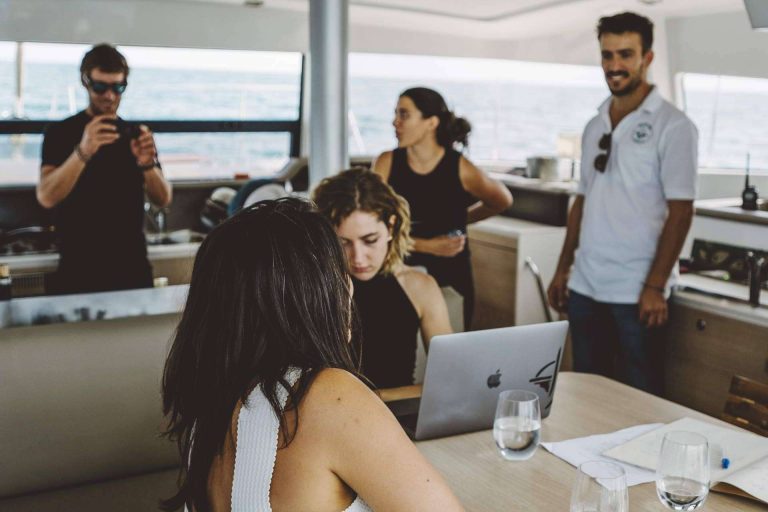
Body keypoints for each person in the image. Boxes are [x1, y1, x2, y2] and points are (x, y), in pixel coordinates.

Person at [161, 198, 464, 512]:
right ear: (313, 294)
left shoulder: (211, 396)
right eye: (337, 270)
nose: (347, 285)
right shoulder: (328, 397)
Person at [547, 12, 697, 394]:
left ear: (647, 58)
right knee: (584, 392)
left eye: (625, 55)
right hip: (586, 284)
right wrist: (563, 268)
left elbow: (681, 211)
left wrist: (655, 286)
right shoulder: (595, 123)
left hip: (636, 289)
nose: (614, 66)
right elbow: (582, 199)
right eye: (607, 55)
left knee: (641, 396)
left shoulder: (674, 126)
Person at [372, 87, 512, 329]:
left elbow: (502, 200)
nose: (395, 122)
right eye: (395, 114)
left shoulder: (461, 167)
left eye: (404, 114)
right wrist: (427, 245)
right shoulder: (386, 163)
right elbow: (372, 226)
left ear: (431, 122)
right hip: (397, 269)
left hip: (451, 275)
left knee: (450, 353)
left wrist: (462, 220)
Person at [37, 43, 172, 295]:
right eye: (100, 87)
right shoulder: (60, 133)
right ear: (85, 82)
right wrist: (83, 152)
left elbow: (163, 198)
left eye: (117, 87)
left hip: (132, 267)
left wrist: (147, 164)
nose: (109, 96)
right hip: (78, 267)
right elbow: (47, 196)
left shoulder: (135, 133)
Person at [313, 168, 453, 389]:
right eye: (343, 243)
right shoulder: (312, 291)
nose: (358, 258)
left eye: (370, 240)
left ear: (390, 227)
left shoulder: (419, 287)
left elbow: (450, 375)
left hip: (399, 417)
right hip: (333, 417)